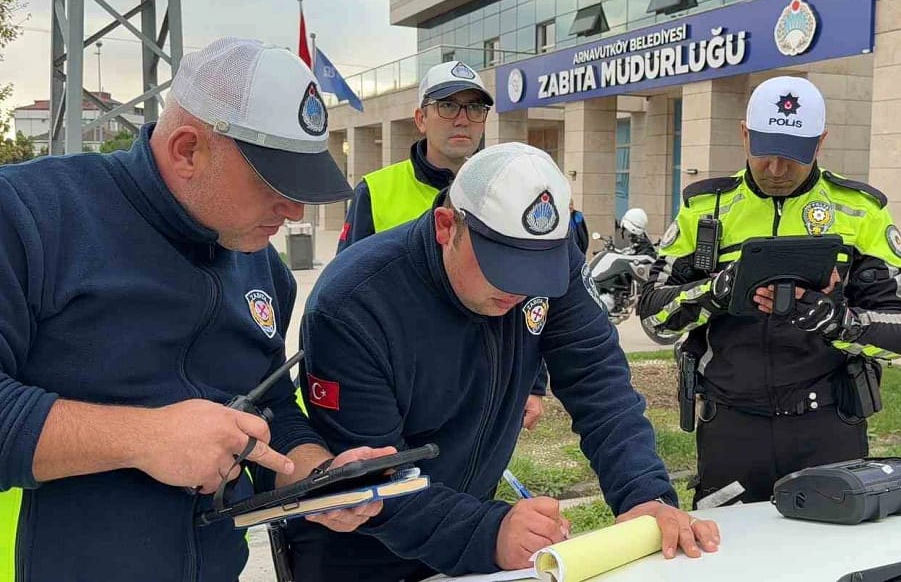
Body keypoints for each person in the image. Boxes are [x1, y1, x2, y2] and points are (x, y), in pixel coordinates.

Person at [0, 38, 394, 581]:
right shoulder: (34, 217)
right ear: (188, 150)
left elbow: (270, 409)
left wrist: (316, 478)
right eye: (274, 181)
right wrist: (143, 438)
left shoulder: (263, 267)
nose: (296, 209)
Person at [288, 143, 720, 582]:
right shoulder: (354, 303)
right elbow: (371, 477)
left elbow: (597, 380)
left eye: (538, 269)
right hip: (357, 550)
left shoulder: (550, 264)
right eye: (504, 265)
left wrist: (643, 493)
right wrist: (487, 532)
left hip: (470, 531)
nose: (521, 289)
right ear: (445, 226)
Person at [638, 76, 901, 507]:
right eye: (764, 150)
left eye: (792, 155)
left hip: (827, 425)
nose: (775, 169)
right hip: (731, 427)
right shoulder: (704, 209)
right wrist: (715, 292)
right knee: (727, 558)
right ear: (744, 134)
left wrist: (835, 321)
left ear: (820, 142)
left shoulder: (860, 211)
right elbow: (653, 318)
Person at [335, 60, 545, 431]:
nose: (462, 119)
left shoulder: (510, 190)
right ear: (420, 118)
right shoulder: (377, 190)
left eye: (475, 108)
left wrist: (533, 381)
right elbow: (345, 294)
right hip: (399, 383)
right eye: (447, 106)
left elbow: (530, 290)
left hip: (481, 387)